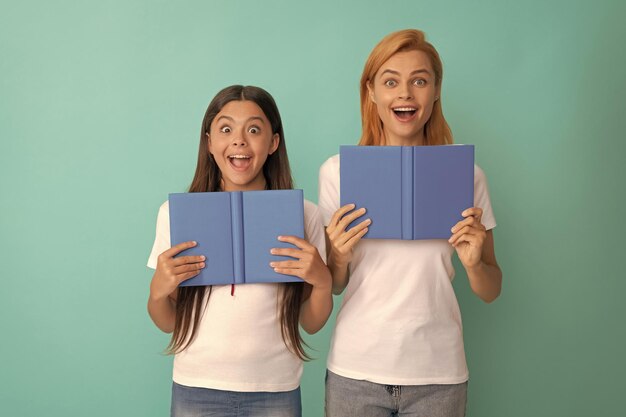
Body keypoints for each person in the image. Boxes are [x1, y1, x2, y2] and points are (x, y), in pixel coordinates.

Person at [319, 29, 503, 417]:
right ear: (371, 92)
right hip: (356, 370)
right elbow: (335, 284)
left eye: (419, 80)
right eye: (390, 81)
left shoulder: (467, 175)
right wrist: (336, 255)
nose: (405, 93)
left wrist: (473, 264)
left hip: (439, 373)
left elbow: (491, 288)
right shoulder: (338, 173)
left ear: (435, 91)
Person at [147, 85, 333, 417]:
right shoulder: (175, 215)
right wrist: (158, 292)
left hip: (275, 389)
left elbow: (311, 322)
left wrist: (322, 282)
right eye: (226, 128)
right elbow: (167, 323)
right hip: (196, 386)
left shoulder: (305, 215)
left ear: (273, 142)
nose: (239, 140)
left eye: (254, 129)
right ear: (209, 142)